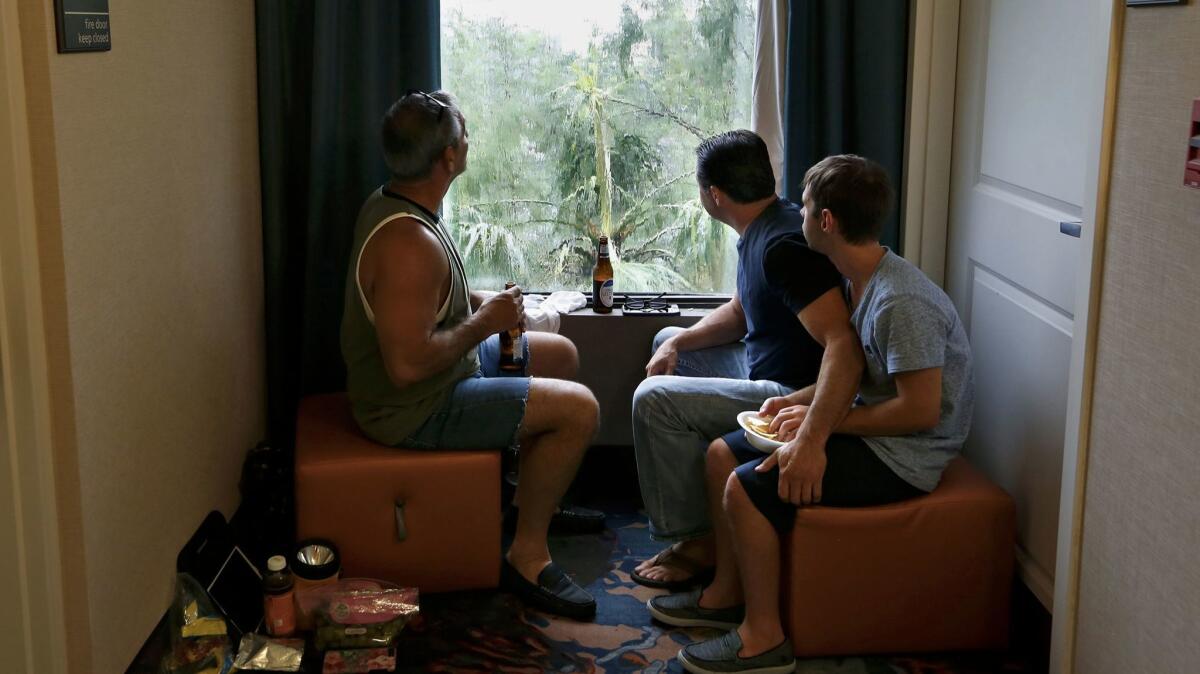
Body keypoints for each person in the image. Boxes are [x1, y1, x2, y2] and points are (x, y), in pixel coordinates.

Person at [648, 155, 975, 674]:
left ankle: (764, 638)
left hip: (906, 457)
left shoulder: (900, 300)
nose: (795, 214)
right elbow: (861, 376)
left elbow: (921, 410)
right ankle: (725, 595)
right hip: (873, 428)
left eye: (804, 206)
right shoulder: (856, 280)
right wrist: (797, 402)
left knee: (746, 486)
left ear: (826, 222)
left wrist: (819, 432)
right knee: (719, 455)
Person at [340, 90, 600, 619]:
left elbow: (426, 305)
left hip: (440, 376)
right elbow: (408, 365)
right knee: (580, 410)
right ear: (449, 159)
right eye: (463, 135)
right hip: (413, 408)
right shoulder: (408, 244)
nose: (468, 140)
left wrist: (489, 304)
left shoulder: (404, 201)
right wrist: (488, 321)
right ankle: (528, 554)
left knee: (562, 355)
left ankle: (532, 498)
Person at [630, 130, 863, 590]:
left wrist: (814, 432)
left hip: (787, 391)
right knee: (668, 337)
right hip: (759, 363)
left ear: (714, 195)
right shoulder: (760, 228)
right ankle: (699, 505)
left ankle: (698, 542)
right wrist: (678, 344)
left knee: (652, 399)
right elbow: (741, 313)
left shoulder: (783, 247)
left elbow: (842, 341)